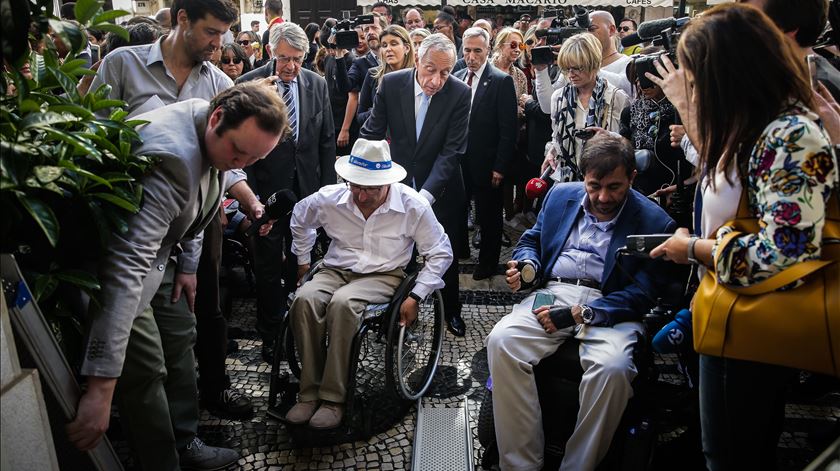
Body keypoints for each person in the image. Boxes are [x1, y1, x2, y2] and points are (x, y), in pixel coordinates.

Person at [645, 4, 838, 469]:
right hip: (734, 319)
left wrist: (694, 248)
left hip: (752, 323)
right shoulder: (759, 124)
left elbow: (787, 252)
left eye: (697, 77)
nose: (694, 88)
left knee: (733, 456)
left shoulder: (788, 135)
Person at [66, 83, 287, 471]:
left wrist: (187, 267)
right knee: (148, 368)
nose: (241, 162)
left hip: (163, 256)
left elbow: (203, 196)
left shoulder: (213, 127)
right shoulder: (169, 158)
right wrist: (100, 389)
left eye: (253, 158)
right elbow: (126, 266)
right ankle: (161, 460)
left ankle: (186, 441)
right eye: (238, 151)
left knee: (182, 337)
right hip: (116, 267)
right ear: (217, 119)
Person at [87, 0, 261, 421]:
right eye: (211, 33)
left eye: (224, 35)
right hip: (127, 229)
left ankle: (199, 412)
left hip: (194, 225)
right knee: (133, 329)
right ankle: (128, 418)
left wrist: (248, 201)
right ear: (182, 18)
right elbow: (88, 136)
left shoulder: (219, 80)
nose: (218, 44)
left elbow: (224, 162)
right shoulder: (120, 65)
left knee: (193, 323)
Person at [487, 134, 676, 471]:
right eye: (594, 186)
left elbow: (645, 292)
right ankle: (520, 465)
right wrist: (528, 266)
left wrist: (583, 313)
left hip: (611, 303)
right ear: (583, 177)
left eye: (615, 187)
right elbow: (532, 239)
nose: (603, 197)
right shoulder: (560, 195)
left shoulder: (654, 221)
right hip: (554, 291)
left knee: (613, 369)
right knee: (502, 341)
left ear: (632, 178)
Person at [285, 138, 453, 429]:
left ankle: (333, 398)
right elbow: (300, 217)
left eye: (371, 189)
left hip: (384, 275)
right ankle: (308, 393)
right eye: (356, 186)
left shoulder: (413, 205)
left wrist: (417, 295)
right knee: (304, 299)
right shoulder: (330, 198)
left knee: (343, 304)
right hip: (335, 269)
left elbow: (440, 253)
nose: (362, 197)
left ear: (387, 182)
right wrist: (303, 261)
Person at [237, 21, 336, 361]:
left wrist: (326, 193)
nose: (290, 66)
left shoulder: (317, 84)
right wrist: (249, 198)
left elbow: (326, 141)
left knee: (301, 258)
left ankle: (298, 324)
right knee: (266, 263)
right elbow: (241, 151)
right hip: (266, 191)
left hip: (306, 189)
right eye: (283, 59)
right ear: (269, 53)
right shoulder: (249, 84)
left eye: (297, 58)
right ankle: (270, 332)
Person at [360, 33, 471, 337]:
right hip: (397, 182)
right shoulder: (392, 83)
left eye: (446, 72)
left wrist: (424, 197)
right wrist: (362, 175)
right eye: (431, 69)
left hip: (442, 188)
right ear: (418, 60)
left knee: (442, 253)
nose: (436, 80)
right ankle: (398, 314)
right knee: (399, 253)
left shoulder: (460, 93)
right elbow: (372, 132)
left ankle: (451, 311)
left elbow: (452, 152)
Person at [455, 27, 517, 281]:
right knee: (458, 210)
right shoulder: (457, 77)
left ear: (487, 50)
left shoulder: (501, 81)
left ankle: (488, 262)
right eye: (467, 50)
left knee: (489, 215)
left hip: (487, 162)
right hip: (459, 161)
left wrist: (500, 166)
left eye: (477, 50)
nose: (471, 56)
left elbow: (508, 129)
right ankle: (459, 251)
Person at [542, 33, 630, 183]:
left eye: (577, 68)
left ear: (593, 64)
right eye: (566, 68)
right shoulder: (558, 97)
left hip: (603, 178)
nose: (571, 74)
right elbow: (556, 136)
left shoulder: (617, 97)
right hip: (566, 179)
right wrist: (551, 152)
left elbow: (627, 144)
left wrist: (609, 137)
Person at [618, 47, 690, 197]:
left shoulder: (682, 111)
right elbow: (624, 156)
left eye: (646, 77)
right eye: (636, 78)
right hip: (640, 193)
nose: (641, 83)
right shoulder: (629, 113)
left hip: (677, 192)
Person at [357, 25, 414, 125]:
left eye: (394, 44)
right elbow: (360, 117)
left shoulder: (417, 76)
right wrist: (378, 110)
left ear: (407, 48)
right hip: (380, 138)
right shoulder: (373, 75)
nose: (388, 49)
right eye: (384, 45)